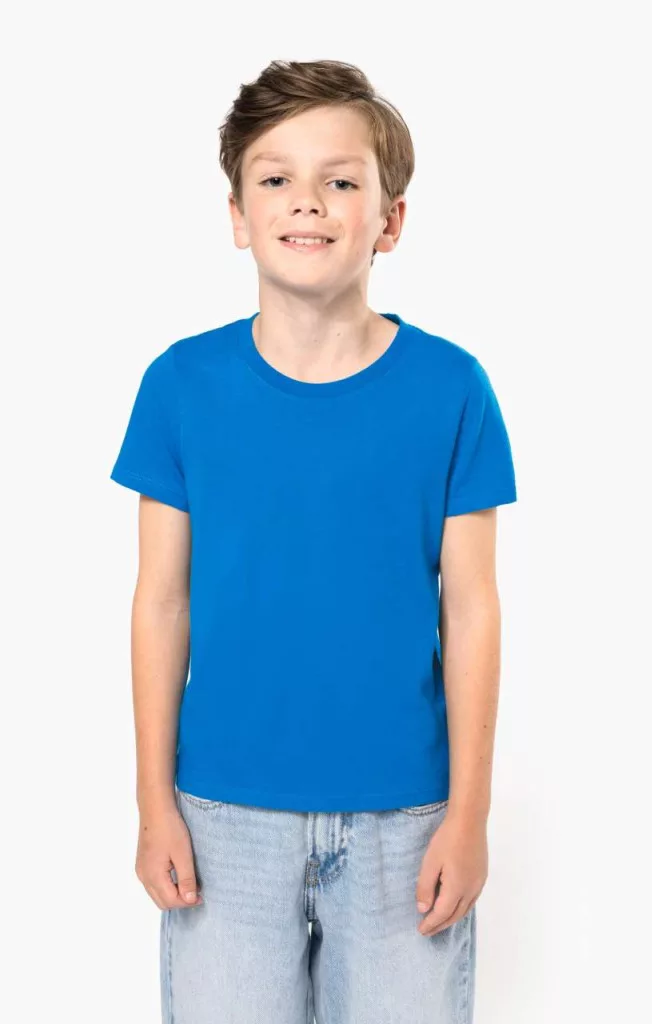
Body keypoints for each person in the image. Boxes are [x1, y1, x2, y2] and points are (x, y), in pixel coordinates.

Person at [109, 58, 517, 1024]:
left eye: (340, 180)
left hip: (405, 821)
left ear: (390, 220)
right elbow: (161, 601)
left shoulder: (452, 389)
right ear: (238, 215)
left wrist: (469, 817)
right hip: (221, 820)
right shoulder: (181, 385)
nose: (308, 202)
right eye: (276, 178)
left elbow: (471, 610)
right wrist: (154, 803)